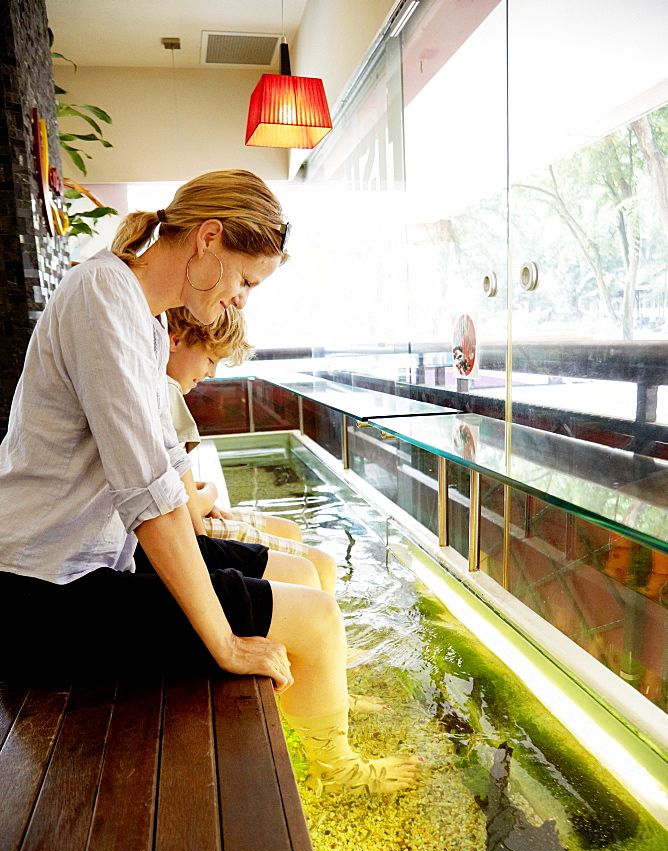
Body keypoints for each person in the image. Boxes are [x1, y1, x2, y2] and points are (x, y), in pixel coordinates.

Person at [0, 169, 418, 794]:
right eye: (245, 281)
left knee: (304, 580)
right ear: (209, 240)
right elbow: (150, 495)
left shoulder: (142, 317)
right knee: (316, 617)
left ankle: (316, 715)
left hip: (92, 569)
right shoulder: (104, 297)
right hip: (40, 597)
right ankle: (336, 773)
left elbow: (167, 475)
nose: (242, 300)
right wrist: (223, 640)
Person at [163, 304, 338, 595]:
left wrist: (202, 497)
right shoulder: (166, 392)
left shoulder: (158, 387)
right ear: (176, 339)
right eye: (210, 359)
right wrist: (212, 491)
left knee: (292, 532)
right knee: (321, 565)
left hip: (188, 525)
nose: (211, 373)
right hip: (191, 537)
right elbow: (192, 512)